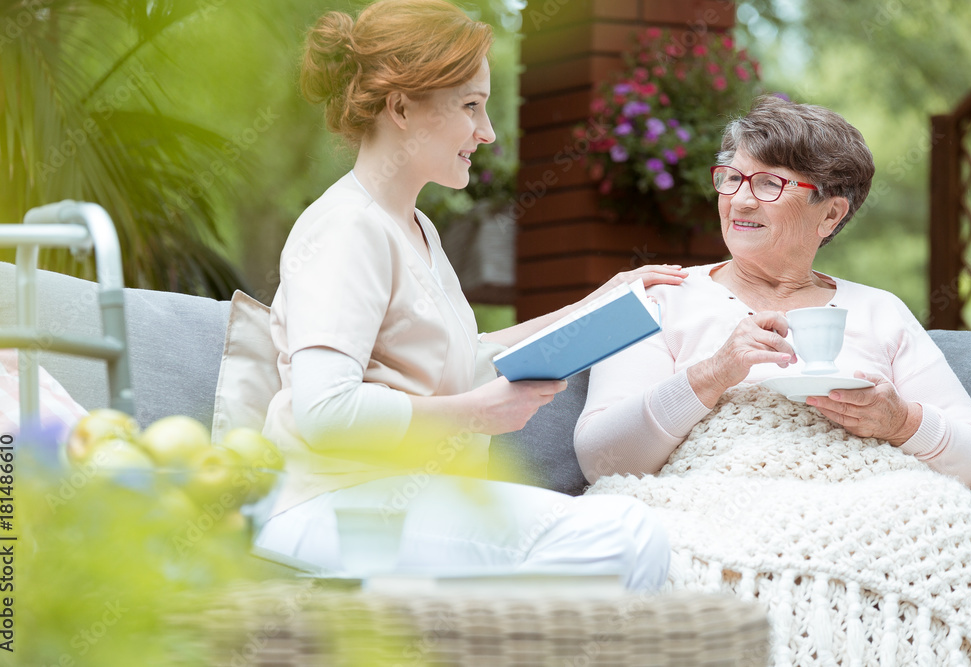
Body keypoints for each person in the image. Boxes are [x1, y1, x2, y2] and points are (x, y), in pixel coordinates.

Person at [250, 0, 685, 589]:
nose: (488, 132)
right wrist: (476, 413)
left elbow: (466, 357)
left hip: (399, 500)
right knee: (618, 535)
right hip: (333, 504)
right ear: (401, 107)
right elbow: (325, 412)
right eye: (471, 106)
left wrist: (598, 302)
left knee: (633, 526)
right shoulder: (348, 228)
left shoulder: (415, 228)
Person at [575, 95, 971, 489]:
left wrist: (903, 423)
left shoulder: (881, 310)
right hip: (713, 508)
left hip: (868, 511)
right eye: (732, 178)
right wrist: (712, 374)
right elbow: (601, 462)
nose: (741, 201)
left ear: (830, 213)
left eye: (769, 183)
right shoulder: (654, 296)